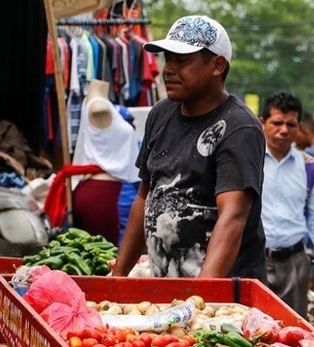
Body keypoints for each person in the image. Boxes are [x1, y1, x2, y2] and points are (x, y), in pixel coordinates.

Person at [112, 15, 266, 280]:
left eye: (182, 61)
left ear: (217, 65)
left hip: (220, 300)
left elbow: (233, 217)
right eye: (167, 59)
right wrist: (119, 277)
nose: (169, 69)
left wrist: (199, 301)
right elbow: (144, 197)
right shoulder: (160, 114)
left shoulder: (239, 127)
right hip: (167, 288)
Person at [259, 91, 314, 316]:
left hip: (294, 263)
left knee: (291, 332)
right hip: (252, 259)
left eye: (291, 124)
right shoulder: (247, 160)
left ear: (298, 126)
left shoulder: (309, 166)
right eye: (277, 123)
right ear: (262, 123)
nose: (284, 130)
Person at [71, 79, 141, 245]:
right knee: (106, 256)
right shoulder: (99, 106)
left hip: (100, 190)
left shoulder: (96, 103)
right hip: (103, 194)